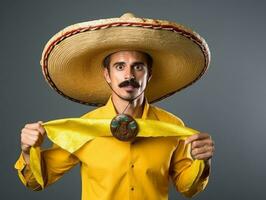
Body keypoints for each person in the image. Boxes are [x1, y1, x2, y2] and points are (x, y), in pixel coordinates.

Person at [15, 13, 215, 200]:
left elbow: (187, 188)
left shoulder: (172, 126)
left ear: (149, 75)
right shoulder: (84, 129)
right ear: (107, 75)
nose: (129, 76)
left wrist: (202, 162)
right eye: (120, 67)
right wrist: (27, 151)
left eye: (138, 67)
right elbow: (37, 182)